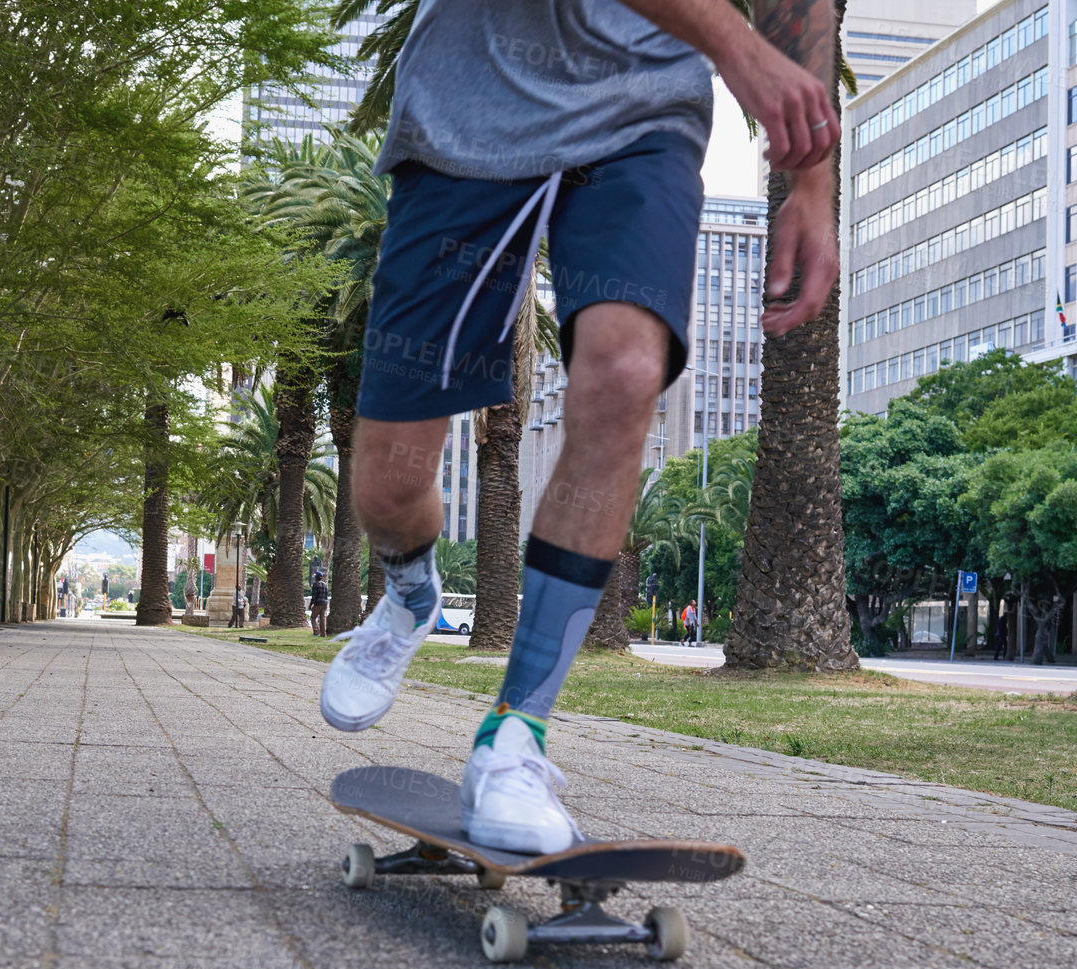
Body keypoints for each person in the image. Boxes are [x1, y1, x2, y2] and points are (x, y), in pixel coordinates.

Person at [319, 0, 840, 854]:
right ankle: (410, 596)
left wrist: (811, 180)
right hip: (468, 113)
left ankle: (514, 739)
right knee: (388, 479)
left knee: (628, 371)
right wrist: (734, 44)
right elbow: (749, 30)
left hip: (645, 114)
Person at [309, 572, 330, 636]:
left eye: (315, 576)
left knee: (313, 617)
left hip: (318, 603)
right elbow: (326, 595)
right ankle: (323, 633)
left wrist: (311, 604)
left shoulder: (315, 584)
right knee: (323, 618)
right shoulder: (325, 584)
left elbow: (314, 596)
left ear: (316, 577)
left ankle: (316, 632)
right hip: (325, 603)